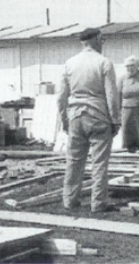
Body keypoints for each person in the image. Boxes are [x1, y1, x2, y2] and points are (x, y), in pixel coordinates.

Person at [57, 28, 120, 212]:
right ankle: (98, 203)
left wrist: (64, 118)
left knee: (74, 161)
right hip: (99, 115)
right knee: (99, 162)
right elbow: (111, 94)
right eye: (102, 40)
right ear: (97, 39)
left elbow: (61, 96)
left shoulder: (69, 64)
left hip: (75, 115)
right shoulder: (104, 62)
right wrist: (115, 120)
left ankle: (69, 200)